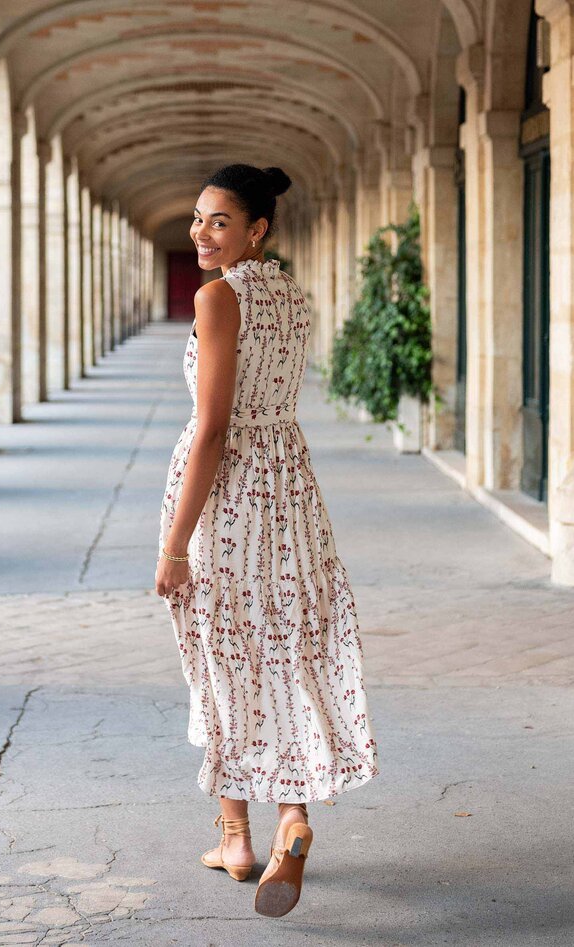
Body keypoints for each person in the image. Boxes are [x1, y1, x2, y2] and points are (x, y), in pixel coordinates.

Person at [155, 163, 379, 918]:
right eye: (198, 218)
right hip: (290, 487)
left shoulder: (218, 297)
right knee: (284, 647)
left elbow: (214, 427)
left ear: (257, 230)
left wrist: (175, 544)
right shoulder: (289, 294)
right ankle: (293, 819)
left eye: (219, 221)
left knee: (224, 651)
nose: (201, 232)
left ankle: (237, 837)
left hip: (231, 497)